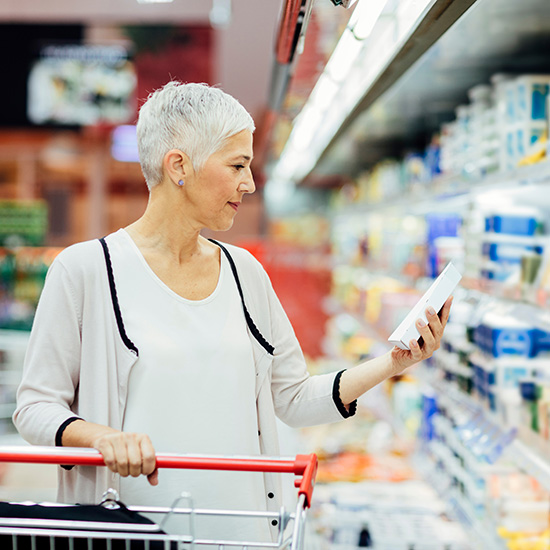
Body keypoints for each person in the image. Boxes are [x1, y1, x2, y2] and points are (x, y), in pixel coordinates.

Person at [13, 81, 452, 543]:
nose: (250, 182)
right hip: (131, 533)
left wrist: (395, 362)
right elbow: (35, 407)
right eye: (238, 165)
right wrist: (98, 436)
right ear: (179, 166)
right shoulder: (85, 271)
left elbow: (295, 399)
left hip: (239, 534)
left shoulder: (245, 274)